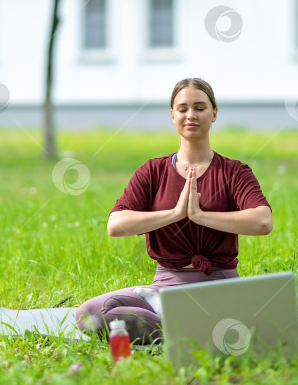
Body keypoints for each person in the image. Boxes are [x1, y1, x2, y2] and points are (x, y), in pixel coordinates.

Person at [75, 77, 273, 344]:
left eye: (200, 107)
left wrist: (201, 216)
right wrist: (175, 213)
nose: (191, 115)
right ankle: (194, 328)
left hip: (219, 286)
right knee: (91, 314)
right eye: (182, 109)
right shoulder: (152, 171)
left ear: (214, 113)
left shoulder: (234, 172)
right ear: (172, 115)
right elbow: (116, 224)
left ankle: (194, 323)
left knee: (118, 318)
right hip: (164, 289)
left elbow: (262, 221)